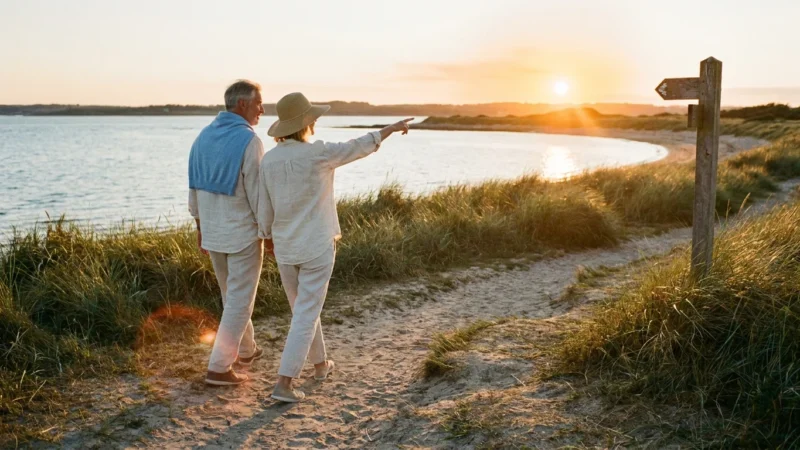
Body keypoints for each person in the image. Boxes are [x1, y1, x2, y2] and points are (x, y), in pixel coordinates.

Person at [257, 92, 412, 402]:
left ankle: (320, 365)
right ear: (306, 123)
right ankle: (284, 384)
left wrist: (268, 238)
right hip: (315, 245)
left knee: (302, 310)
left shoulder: (269, 160)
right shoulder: (317, 153)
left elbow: (264, 209)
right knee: (305, 313)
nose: (315, 122)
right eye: (312, 119)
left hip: (286, 248)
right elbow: (356, 147)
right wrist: (389, 130)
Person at [188, 79, 267, 386]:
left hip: (213, 231)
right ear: (242, 105)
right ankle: (219, 367)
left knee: (230, 296)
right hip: (242, 234)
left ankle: (247, 350)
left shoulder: (203, 137)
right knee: (239, 301)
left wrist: (199, 227)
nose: (262, 108)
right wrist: (268, 232)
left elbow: (194, 188)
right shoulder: (249, 141)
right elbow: (258, 194)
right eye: (259, 102)